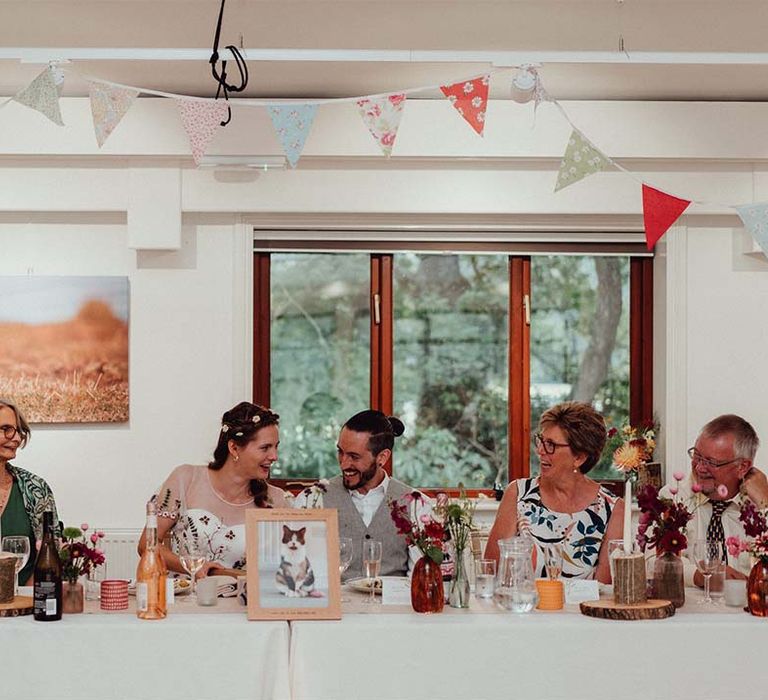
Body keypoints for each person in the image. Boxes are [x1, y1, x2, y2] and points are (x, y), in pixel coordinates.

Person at [138, 401, 289, 578]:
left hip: (241, 601)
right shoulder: (185, 479)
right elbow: (146, 544)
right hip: (185, 598)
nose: (274, 457)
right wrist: (192, 566)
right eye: (265, 448)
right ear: (234, 447)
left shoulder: (276, 500)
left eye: (276, 446)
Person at [485, 401, 624, 583]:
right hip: (523, 608)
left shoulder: (612, 509)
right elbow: (492, 572)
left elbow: (604, 592)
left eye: (551, 445)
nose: (540, 451)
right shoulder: (519, 493)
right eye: (541, 441)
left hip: (580, 612)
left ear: (579, 457)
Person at [293, 409, 427, 579]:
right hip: (336, 604)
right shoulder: (311, 498)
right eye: (340, 452)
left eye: (354, 457)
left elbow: (419, 580)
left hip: (393, 605)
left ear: (382, 457)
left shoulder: (416, 505)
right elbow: (299, 571)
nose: (343, 464)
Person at [661, 414, 768, 586]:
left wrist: (766, 504)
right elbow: (651, 560)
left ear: (742, 467)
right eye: (697, 456)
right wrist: (701, 576)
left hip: (749, 608)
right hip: (692, 609)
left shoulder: (759, 503)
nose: (699, 467)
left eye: (712, 462)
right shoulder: (673, 498)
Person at [0, 398, 60, 585]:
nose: (17, 439)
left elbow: (51, 554)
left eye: (19, 432)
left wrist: (25, 600)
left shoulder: (36, 488)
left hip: (23, 606)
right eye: (7, 429)